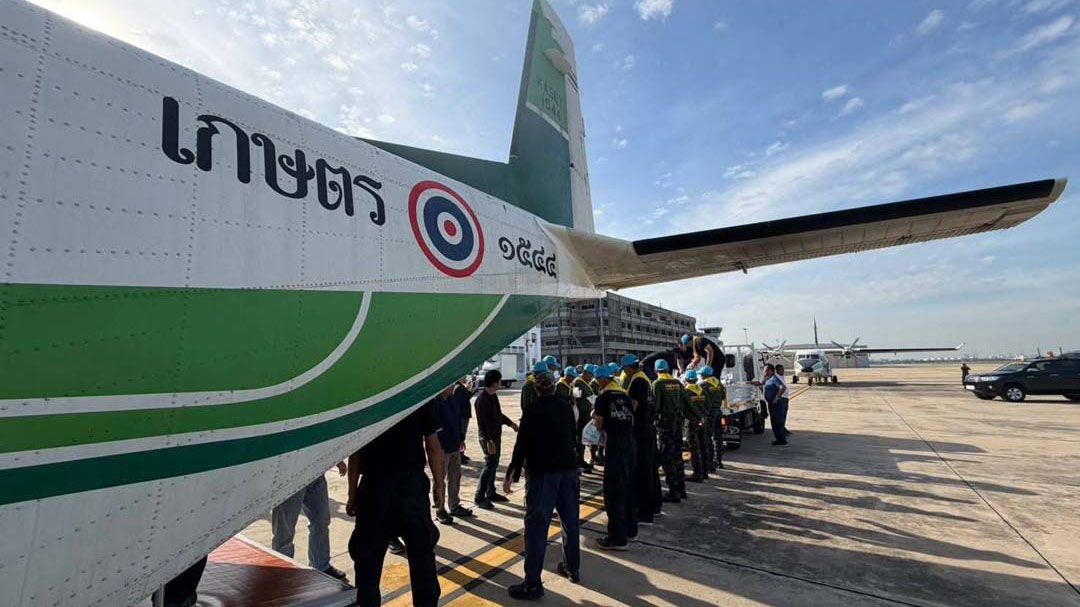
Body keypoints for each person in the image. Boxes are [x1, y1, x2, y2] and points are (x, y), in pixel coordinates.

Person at [347, 401, 444, 607]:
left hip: (374, 491)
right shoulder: (418, 394)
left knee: (367, 567)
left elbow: (355, 453)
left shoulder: (369, 397)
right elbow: (433, 446)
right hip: (411, 491)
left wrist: (352, 494)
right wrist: (438, 484)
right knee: (422, 560)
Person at [503, 363, 581, 599]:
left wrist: (512, 474)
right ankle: (572, 568)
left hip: (543, 474)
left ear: (536, 389)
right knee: (570, 523)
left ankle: (533, 584)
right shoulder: (566, 408)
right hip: (568, 471)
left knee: (537, 529)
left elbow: (522, 446)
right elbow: (573, 435)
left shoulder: (532, 412)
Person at [272, 463, 350, 582]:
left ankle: (321, 565)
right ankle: (283, 568)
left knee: (321, 521)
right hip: (291, 475)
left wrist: (337, 460)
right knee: (285, 528)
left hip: (316, 473)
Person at [592, 364, 637, 550]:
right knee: (628, 487)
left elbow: (600, 425)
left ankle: (617, 539)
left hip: (616, 445)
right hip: (630, 444)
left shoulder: (602, 398)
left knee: (613, 492)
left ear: (603, 380)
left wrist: (595, 421)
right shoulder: (625, 395)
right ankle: (630, 530)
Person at [622, 354, 660, 522]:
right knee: (651, 469)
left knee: (642, 471)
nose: (624, 372)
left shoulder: (637, 381)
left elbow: (634, 406)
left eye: (625, 369)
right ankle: (655, 506)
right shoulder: (647, 379)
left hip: (641, 430)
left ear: (630, 367)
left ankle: (645, 512)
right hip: (649, 428)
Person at [474, 369, 519, 509]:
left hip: (495, 437)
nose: (500, 384)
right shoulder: (481, 400)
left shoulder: (493, 396)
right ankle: (479, 496)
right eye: (499, 381)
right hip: (488, 439)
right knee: (489, 465)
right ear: (494, 383)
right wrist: (489, 441)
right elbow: (483, 424)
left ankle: (491, 492)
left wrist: (510, 423)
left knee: (493, 465)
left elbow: (498, 415)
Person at [433, 385, 474, 524]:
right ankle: (440, 509)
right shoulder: (436, 403)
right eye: (449, 386)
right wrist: (440, 447)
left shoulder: (452, 400)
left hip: (455, 445)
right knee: (440, 480)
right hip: (442, 449)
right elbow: (435, 428)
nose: (452, 388)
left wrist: (461, 438)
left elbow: (457, 421)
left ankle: (454, 505)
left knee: (455, 477)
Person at [652, 359, 686, 504]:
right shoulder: (678, 383)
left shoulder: (658, 384)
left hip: (665, 424)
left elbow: (656, 406)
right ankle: (681, 488)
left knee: (667, 456)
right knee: (678, 455)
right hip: (677, 423)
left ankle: (673, 491)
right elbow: (685, 401)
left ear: (656, 370)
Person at [682, 370, 709, 482]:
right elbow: (709, 405)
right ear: (696, 379)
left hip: (691, 422)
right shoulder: (702, 390)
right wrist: (703, 416)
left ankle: (697, 474)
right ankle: (705, 472)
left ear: (686, 380)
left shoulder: (686, 391)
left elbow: (684, 406)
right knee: (703, 445)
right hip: (703, 421)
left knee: (693, 447)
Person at [699, 365, 727, 471]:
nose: (701, 375)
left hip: (709, 414)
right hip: (718, 412)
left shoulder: (704, 384)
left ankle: (709, 463)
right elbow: (723, 396)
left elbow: (701, 399)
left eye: (702, 374)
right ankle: (719, 461)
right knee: (718, 438)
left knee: (707, 438)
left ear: (705, 375)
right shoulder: (719, 384)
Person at [572, 365, 596, 472]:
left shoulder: (584, 383)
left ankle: (581, 460)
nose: (591, 377)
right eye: (590, 374)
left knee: (584, 438)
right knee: (580, 439)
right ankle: (578, 461)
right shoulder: (578, 383)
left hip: (586, 414)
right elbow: (575, 398)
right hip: (581, 415)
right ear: (585, 373)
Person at [762, 364, 789, 447]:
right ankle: (779, 440)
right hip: (772, 404)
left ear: (771, 371)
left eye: (766, 370)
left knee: (778, 422)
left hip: (778, 403)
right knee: (774, 422)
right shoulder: (767, 379)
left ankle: (783, 441)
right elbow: (760, 383)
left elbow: (782, 387)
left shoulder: (774, 379)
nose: (764, 372)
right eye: (764, 370)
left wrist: (776, 398)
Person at [455, 377, 474, 464]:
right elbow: (463, 401)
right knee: (461, 436)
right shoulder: (459, 388)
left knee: (462, 436)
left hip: (463, 415)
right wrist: (469, 391)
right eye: (464, 376)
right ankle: (460, 455)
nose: (465, 378)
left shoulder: (460, 387)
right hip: (462, 416)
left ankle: (461, 454)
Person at [775, 364, 793, 438]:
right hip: (781, 399)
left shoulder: (781, 376)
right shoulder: (776, 377)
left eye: (783, 369)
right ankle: (781, 431)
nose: (783, 371)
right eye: (781, 369)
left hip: (785, 398)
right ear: (777, 370)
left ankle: (783, 428)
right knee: (781, 416)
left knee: (784, 415)